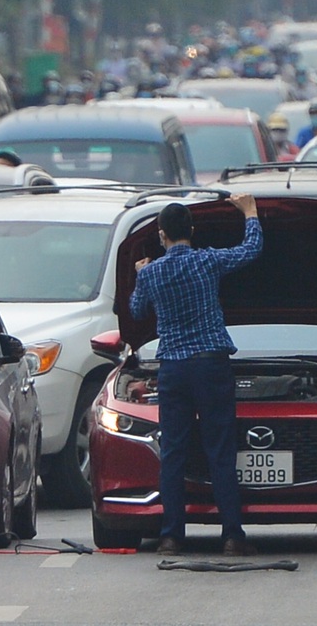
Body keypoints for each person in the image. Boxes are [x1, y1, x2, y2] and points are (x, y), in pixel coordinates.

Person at [129, 194, 262, 557]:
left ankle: (171, 535)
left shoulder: (152, 272)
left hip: (172, 367)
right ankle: (232, 535)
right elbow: (250, 250)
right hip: (210, 363)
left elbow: (137, 310)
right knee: (220, 450)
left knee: (173, 451)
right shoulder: (207, 261)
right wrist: (250, 213)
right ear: (191, 230)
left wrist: (142, 274)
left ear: (161, 235)